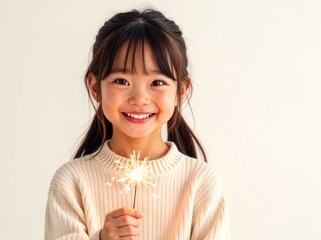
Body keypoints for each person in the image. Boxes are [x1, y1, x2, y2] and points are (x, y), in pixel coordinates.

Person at [45, 9, 230, 240]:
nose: (139, 98)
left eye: (157, 82)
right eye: (121, 81)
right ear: (95, 87)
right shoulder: (71, 182)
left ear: (180, 91)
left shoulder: (202, 184)